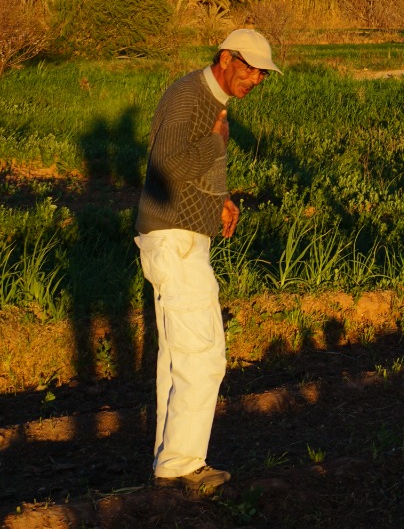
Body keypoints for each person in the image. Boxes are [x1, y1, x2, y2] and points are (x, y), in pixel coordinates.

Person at [133, 28, 281, 494]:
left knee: (180, 357)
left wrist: (222, 198)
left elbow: (191, 166)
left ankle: (171, 463)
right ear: (225, 57)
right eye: (249, 67)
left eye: (262, 72)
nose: (255, 78)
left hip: (181, 237)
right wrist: (217, 144)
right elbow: (166, 168)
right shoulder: (188, 96)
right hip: (174, 241)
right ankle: (181, 466)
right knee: (203, 357)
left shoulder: (210, 99)